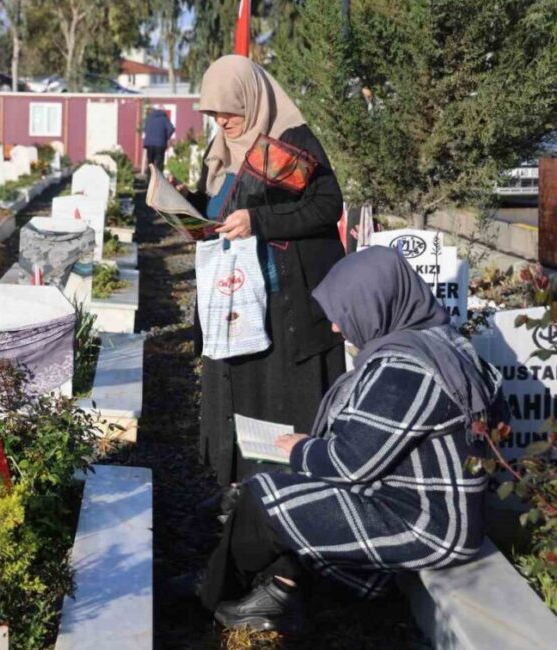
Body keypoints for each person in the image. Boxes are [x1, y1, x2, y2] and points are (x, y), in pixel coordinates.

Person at [189, 247, 503, 634]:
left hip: (427, 523)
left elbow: (349, 465)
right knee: (271, 492)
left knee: (262, 498)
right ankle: (277, 593)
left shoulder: (407, 369)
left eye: (344, 313)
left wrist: (300, 448)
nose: (337, 328)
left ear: (376, 301)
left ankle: (210, 593)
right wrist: (305, 452)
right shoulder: (438, 343)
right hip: (415, 502)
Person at [181, 55, 346, 488]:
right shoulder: (219, 150)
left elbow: (327, 207)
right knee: (239, 396)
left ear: (252, 99)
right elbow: (225, 207)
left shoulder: (292, 138)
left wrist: (261, 224)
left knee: (278, 401)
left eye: (230, 110)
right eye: (214, 113)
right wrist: (189, 206)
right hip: (232, 300)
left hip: (283, 304)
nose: (223, 120)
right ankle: (240, 493)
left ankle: (286, 492)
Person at [143, 108, 175, 174]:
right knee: (159, 163)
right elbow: (171, 128)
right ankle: (159, 180)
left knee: (150, 163)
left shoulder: (149, 118)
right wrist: (166, 137)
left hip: (149, 144)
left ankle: (149, 180)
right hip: (160, 144)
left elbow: (145, 129)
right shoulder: (164, 119)